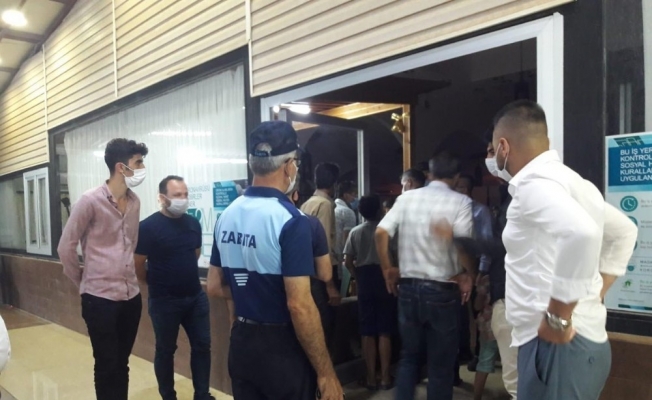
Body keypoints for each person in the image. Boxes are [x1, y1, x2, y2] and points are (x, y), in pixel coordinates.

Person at [492, 100, 637, 399]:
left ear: (503, 147)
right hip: (574, 343)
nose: (493, 157)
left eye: (493, 150)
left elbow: (581, 233)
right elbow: (625, 231)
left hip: (557, 346)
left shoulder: (533, 185)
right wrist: (595, 291)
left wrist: (559, 315)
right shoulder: (574, 183)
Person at [206, 121, 343, 400]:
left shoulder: (226, 215)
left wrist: (253, 293)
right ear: (290, 166)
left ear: (252, 163)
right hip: (282, 349)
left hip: (242, 343)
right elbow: (299, 305)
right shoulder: (291, 221)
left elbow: (214, 286)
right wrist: (326, 374)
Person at [376, 152, 476, 400]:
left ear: (430, 174)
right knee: (440, 365)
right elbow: (462, 245)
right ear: (456, 177)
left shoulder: (406, 198)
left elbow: (380, 233)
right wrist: (469, 274)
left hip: (408, 290)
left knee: (409, 358)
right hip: (443, 291)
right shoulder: (461, 202)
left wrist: (388, 269)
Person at [58, 138, 148, 400]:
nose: (142, 168)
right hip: (99, 299)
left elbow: (132, 244)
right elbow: (66, 247)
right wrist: (84, 282)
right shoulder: (90, 201)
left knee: (122, 362)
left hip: (131, 297)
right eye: (138, 163)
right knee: (107, 364)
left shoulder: (135, 202)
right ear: (121, 167)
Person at [134, 176, 215, 400]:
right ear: (162, 198)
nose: (183, 199)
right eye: (177, 195)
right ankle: (168, 396)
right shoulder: (148, 227)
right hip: (164, 301)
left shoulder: (193, 223)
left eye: (185, 194)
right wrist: (150, 282)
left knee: (202, 346)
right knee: (165, 350)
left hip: (195, 298)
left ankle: (202, 394)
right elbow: (137, 263)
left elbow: (195, 254)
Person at [344, 195, 397, 391]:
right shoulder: (387, 232)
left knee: (367, 331)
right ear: (379, 210)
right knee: (385, 330)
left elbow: (347, 261)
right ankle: (385, 377)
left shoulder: (355, 232)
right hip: (384, 278)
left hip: (365, 279)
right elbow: (396, 257)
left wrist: (357, 276)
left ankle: (371, 378)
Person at [454, 174, 494, 378]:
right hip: (454, 266)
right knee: (457, 312)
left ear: (468, 190)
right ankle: (461, 352)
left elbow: (487, 242)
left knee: (477, 311)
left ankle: (478, 354)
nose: (457, 191)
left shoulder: (480, 211)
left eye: (461, 187)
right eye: (455, 187)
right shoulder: (450, 210)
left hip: (476, 264)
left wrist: (482, 271)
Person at [301, 162, 342, 351]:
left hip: (307, 273)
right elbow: (323, 247)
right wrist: (330, 285)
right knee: (325, 326)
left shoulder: (307, 203)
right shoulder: (325, 205)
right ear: (334, 183)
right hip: (321, 276)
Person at [472, 275, 500, 400]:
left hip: (489, 325)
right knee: (515, 362)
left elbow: (477, 305)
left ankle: (477, 397)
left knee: (484, 361)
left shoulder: (486, 279)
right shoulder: (517, 274)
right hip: (512, 324)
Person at [334, 180, 358, 265]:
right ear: (345, 195)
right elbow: (347, 240)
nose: (355, 198)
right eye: (353, 194)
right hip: (340, 257)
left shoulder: (332, 207)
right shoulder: (347, 212)